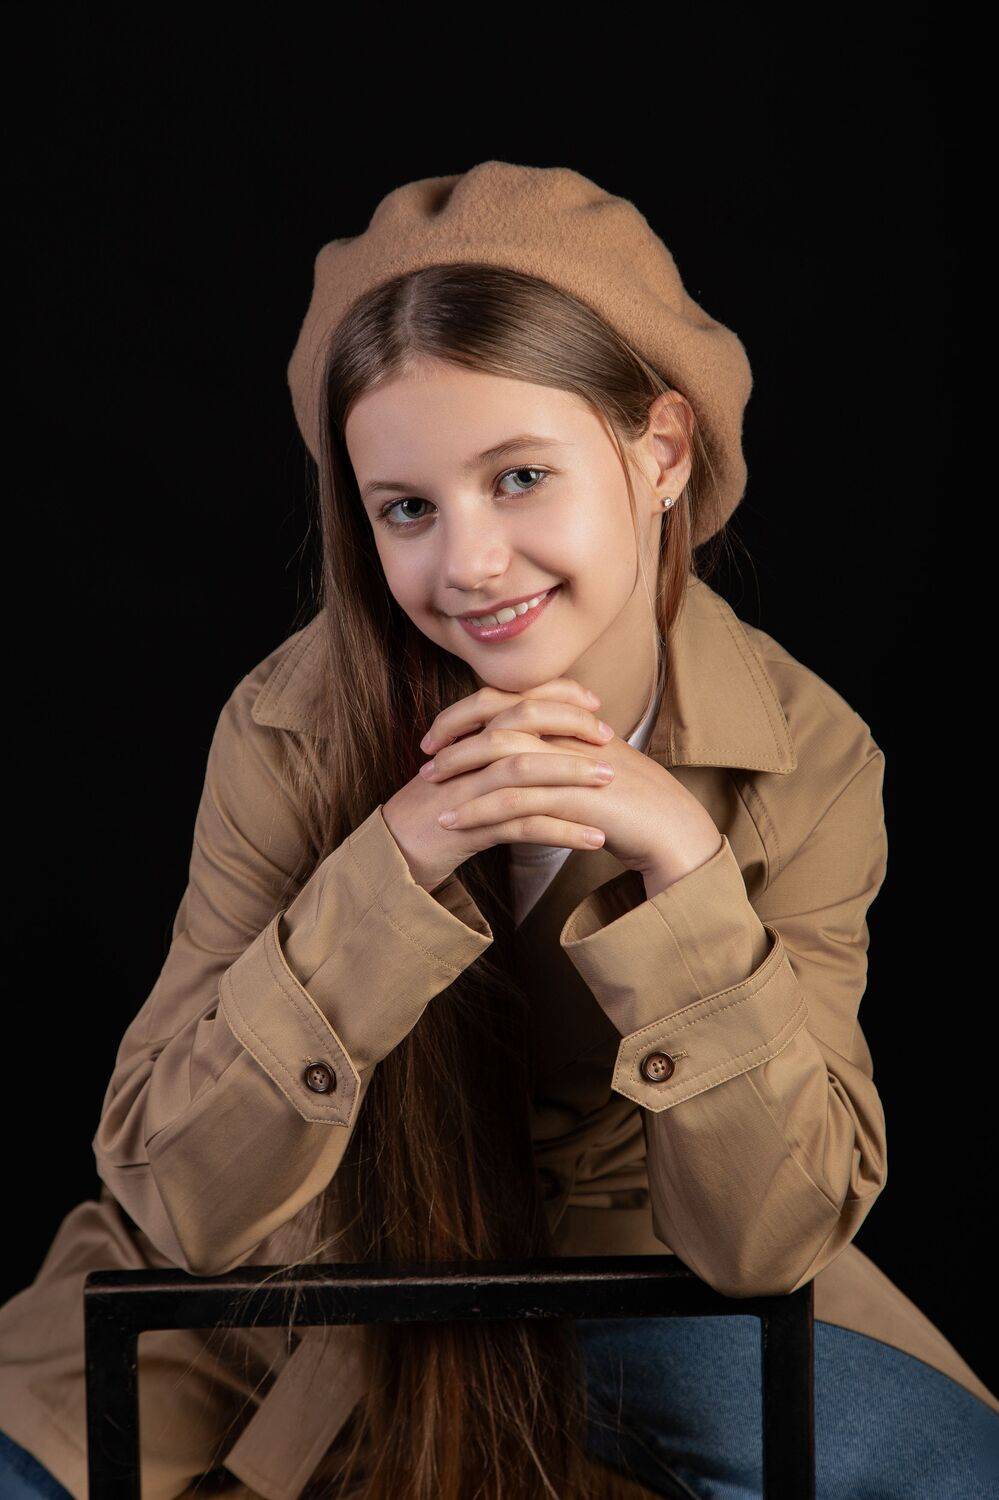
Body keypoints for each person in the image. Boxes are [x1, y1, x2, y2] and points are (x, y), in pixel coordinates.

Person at [1, 161, 996, 1500]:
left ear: (660, 454)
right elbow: (178, 1199)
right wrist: (392, 873)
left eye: (520, 476)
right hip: (293, 1282)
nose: (467, 564)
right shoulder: (287, 730)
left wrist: (687, 877)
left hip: (645, 1287)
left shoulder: (808, 758)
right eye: (409, 508)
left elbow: (769, 1240)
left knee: (939, 1471)